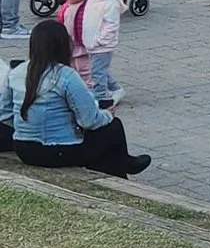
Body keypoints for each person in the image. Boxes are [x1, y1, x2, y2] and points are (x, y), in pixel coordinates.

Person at [5, 17, 149, 174]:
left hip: (23, 148)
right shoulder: (65, 75)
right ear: (63, 45)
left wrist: (29, 124)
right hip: (56, 151)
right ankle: (125, 164)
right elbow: (89, 121)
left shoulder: (16, 72)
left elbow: (4, 112)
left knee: (99, 142)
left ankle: (118, 170)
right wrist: (107, 114)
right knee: (112, 127)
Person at [60, 0, 123, 108]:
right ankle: (115, 89)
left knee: (96, 73)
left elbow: (111, 25)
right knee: (98, 70)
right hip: (92, 44)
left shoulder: (110, 2)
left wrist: (99, 40)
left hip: (101, 45)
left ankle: (101, 98)